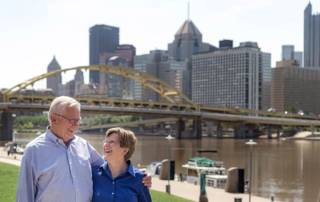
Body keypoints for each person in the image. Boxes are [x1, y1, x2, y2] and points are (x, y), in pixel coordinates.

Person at [16, 96, 151, 202]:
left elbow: (109, 168)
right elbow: (24, 196)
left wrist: (139, 174)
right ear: (53, 119)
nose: (76, 126)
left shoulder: (83, 145)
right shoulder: (33, 151)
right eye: (71, 121)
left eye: (78, 121)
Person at [92, 127, 151, 202]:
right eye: (106, 141)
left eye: (112, 142)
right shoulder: (94, 174)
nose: (106, 145)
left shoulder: (140, 179)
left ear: (125, 150)